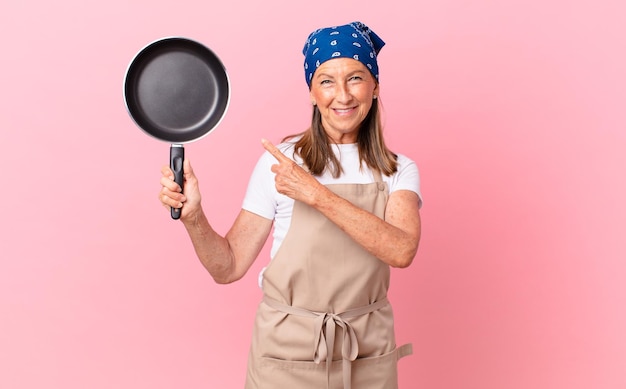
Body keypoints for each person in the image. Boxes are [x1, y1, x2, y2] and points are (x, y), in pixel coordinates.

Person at [158, 21, 422, 389]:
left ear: (375, 86)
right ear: (312, 93)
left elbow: (401, 248)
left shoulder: (398, 170)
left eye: (356, 78)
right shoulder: (280, 163)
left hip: (365, 352)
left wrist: (316, 194)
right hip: (286, 354)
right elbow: (228, 267)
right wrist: (194, 218)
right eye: (327, 81)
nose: (342, 95)